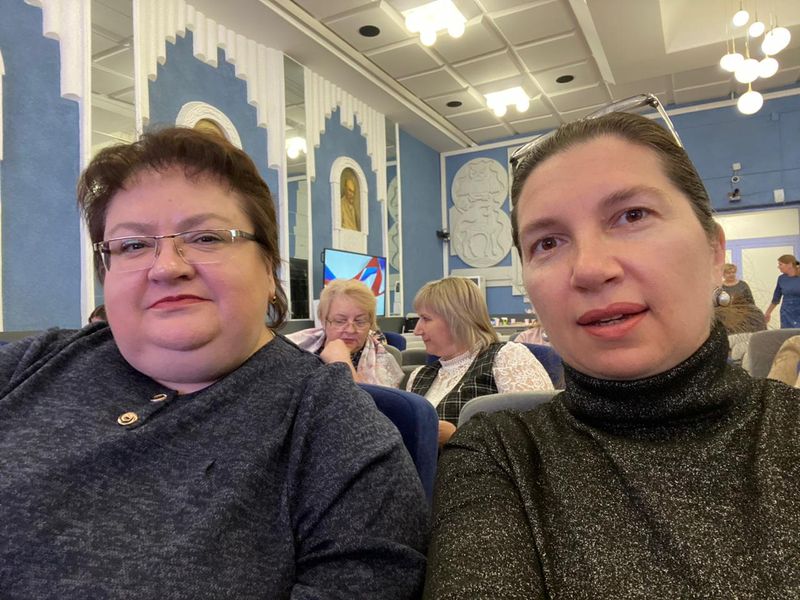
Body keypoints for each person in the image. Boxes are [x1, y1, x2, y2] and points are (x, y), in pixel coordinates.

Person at [0, 127, 428, 599]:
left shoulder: (334, 432)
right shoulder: (31, 364)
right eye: (133, 245)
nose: (167, 266)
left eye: (206, 237)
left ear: (269, 269)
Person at [424, 111, 800, 598]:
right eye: (547, 242)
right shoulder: (499, 457)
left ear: (713, 251)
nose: (590, 269)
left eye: (632, 215)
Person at [406, 276, 553, 445]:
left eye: (426, 319)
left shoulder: (506, 357)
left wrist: (457, 436)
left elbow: (542, 433)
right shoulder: (419, 376)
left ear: (456, 319)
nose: (417, 330)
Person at [288, 278, 403, 387]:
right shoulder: (294, 348)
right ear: (323, 321)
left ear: (371, 323)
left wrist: (343, 363)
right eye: (340, 321)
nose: (350, 330)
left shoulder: (385, 363)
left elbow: (369, 402)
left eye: (360, 321)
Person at [715, 262, 764, 335]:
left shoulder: (743, 285)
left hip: (744, 317)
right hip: (727, 319)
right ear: (723, 274)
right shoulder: (720, 287)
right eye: (728, 273)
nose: (731, 274)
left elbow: (751, 302)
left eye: (733, 272)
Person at [764, 254, 800, 328]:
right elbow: (776, 298)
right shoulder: (781, 279)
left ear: (789, 265)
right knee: (787, 333)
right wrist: (768, 313)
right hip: (786, 312)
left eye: (780, 264)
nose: (778, 267)